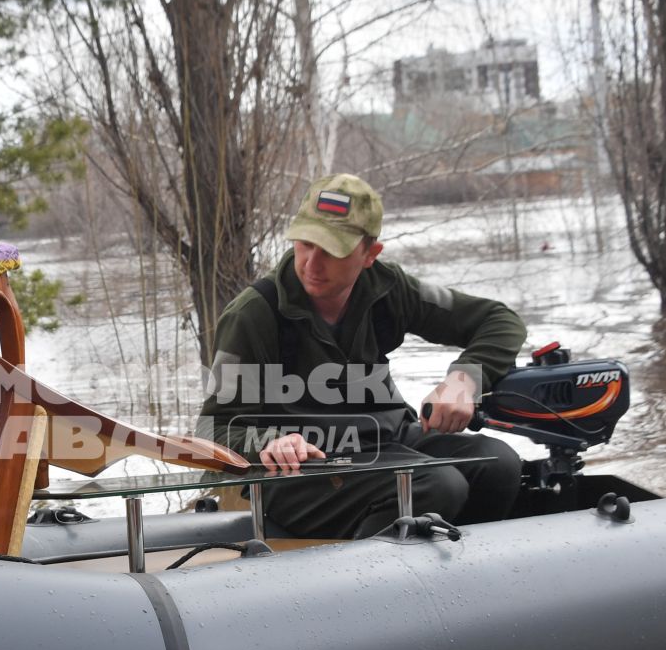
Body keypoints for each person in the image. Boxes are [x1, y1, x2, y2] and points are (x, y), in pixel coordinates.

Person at [198, 173, 525, 538]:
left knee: (499, 463)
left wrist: (463, 381)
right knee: (437, 485)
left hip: (387, 442)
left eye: (332, 250)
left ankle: (464, 572)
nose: (310, 263)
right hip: (301, 473)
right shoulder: (253, 314)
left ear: (370, 254)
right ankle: (359, 582)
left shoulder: (389, 288)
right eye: (305, 244)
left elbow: (498, 320)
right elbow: (212, 431)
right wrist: (270, 443)